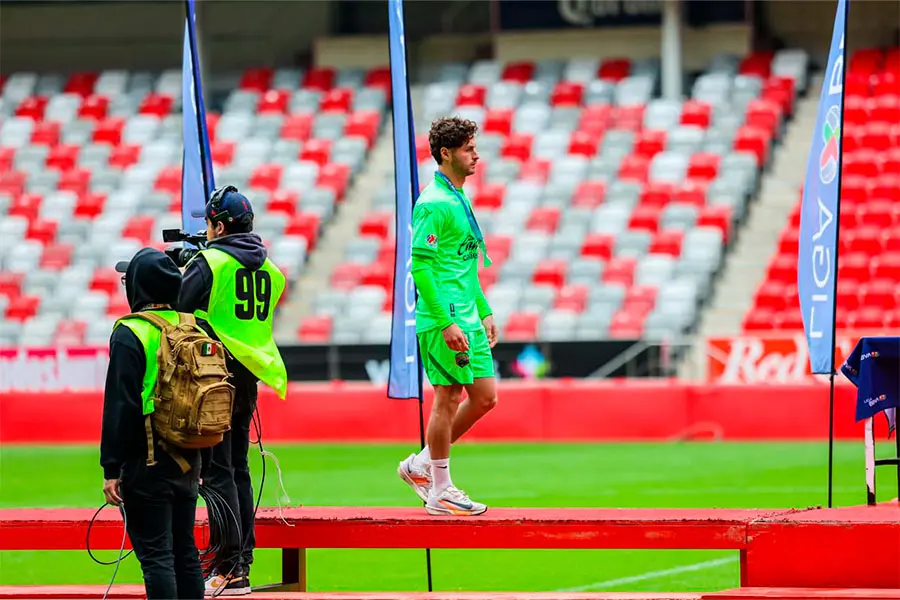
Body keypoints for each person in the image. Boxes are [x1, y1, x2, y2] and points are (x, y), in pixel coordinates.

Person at [176, 185, 288, 596]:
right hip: (248, 378)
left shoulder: (211, 262)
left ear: (220, 226)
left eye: (209, 224)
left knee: (217, 472)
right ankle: (241, 563)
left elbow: (178, 310)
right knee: (238, 469)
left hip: (212, 378)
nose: (206, 231)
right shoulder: (272, 270)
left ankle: (228, 567)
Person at [397, 117, 499, 516]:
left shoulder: (457, 198)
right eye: (468, 149)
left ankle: (421, 464)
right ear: (446, 153)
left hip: (468, 315)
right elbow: (421, 268)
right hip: (445, 318)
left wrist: (484, 310)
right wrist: (445, 321)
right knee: (448, 396)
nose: (476, 155)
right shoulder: (433, 203)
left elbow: (464, 264)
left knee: (485, 398)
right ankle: (440, 489)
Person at [100, 248, 205, 599]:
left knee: (156, 556)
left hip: (147, 459)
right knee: (185, 551)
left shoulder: (131, 331)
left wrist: (111, 468)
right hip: (190, 455)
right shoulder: (193, 325)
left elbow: (120, 404)